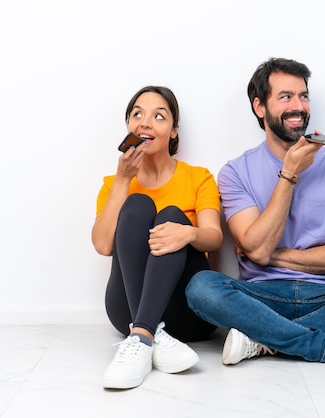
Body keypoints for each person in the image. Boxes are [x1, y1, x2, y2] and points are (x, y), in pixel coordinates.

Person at [185, 58, 325, 366]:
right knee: (202, 287)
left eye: (303, 96)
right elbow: (257, 246)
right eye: (286, 97)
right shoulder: (235, 172)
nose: (299, 106)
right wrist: (289, 174)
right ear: (259, 107)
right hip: (262, 297)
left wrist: (273, 257)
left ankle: (264, 339)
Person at [92, 86, 223, 389]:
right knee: (137, 206)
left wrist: (187, 233)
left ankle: (143, 336)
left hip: (187, 313)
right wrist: (124, 180)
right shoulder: (114, 183)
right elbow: (102, 245)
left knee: (172, 216)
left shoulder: (198, 177)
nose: (145, 122)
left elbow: (214, 237)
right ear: (129, 127)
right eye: (137, 114)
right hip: (126, 309)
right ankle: (147, 333)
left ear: (174, 131)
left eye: (159, 116)